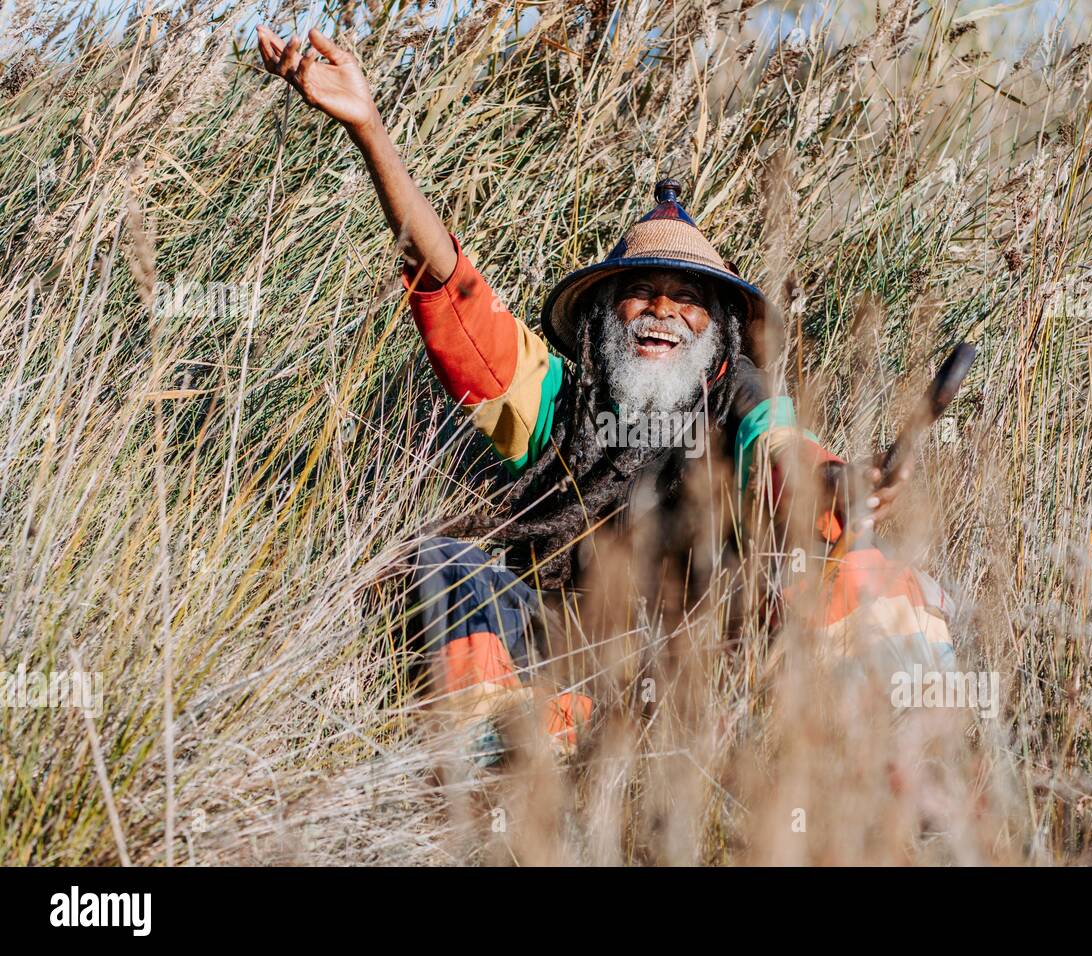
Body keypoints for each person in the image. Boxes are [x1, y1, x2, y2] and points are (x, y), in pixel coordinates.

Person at [256, 26, 956, 759]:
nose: (663, 310)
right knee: (442, 567)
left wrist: (839, 484)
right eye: (640, 293)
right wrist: (372, 132)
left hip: (711, 671)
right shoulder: (556, 396)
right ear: (600, 319)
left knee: (858, 573)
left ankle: (893, 757)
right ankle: (515, 759)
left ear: (717, 332)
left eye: (688, 299)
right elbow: (450, 290)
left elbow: (784, 455)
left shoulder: (739, 403)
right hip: (570, 673)